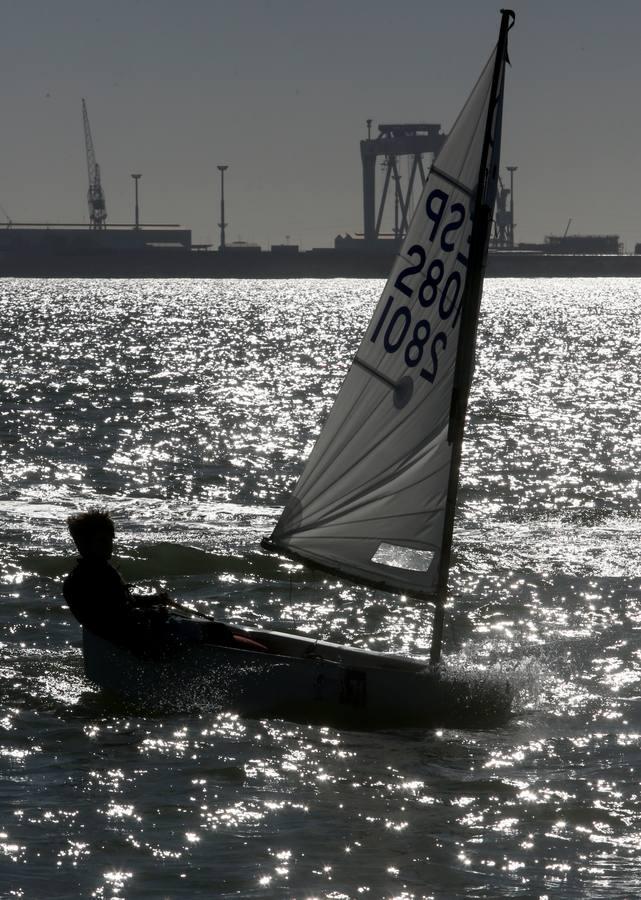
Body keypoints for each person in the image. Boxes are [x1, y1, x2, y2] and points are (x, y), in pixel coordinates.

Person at [63, 508, 243, 657]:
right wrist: (152, 621)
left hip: (136, 638)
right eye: (102, 541)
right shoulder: (97, 576)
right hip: (147, 642)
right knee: (220, 632)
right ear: (85, 544)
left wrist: (154, 600)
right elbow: (119, 619)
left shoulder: (86, 576)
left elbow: (120, 606)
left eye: (110, 539)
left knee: (216, 630)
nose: (109, 545)